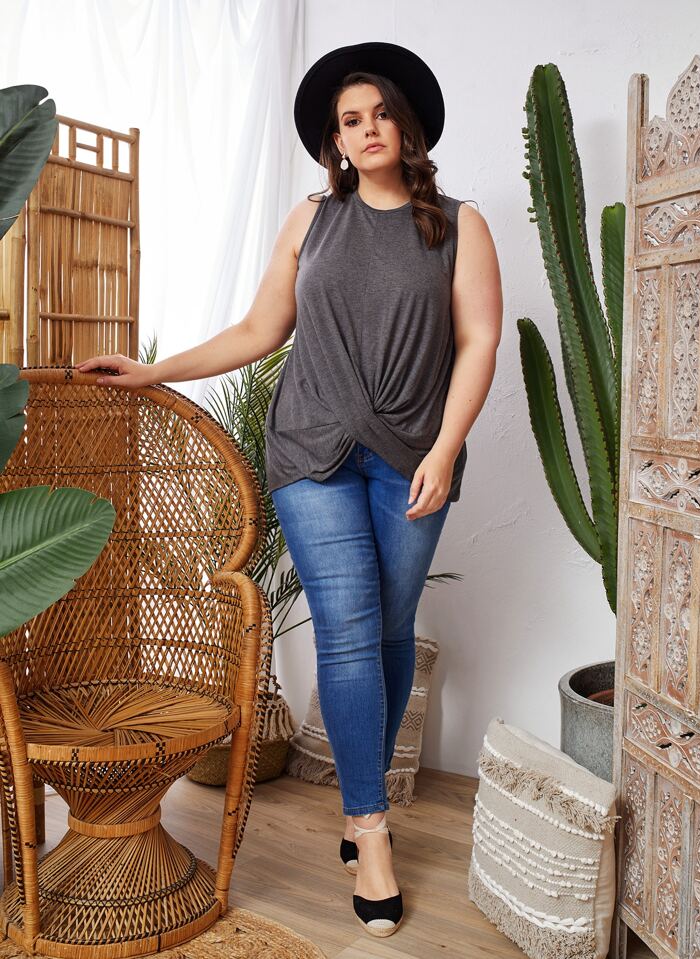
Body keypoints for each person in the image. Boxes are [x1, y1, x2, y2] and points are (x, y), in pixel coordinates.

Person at [75, 40, 502, 939]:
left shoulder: (461, 225)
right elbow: (259, 329)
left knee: (388, 630)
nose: (368, 129)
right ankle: (369, 828)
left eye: (380, 114)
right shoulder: (311, 219)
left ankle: (360, 800)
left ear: (406, 126)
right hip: (311, 447)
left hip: (414, 454)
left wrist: (445, 447)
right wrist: (156, 371)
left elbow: (479, 342)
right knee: (348, 629)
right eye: (351, 120)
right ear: (334, 141)